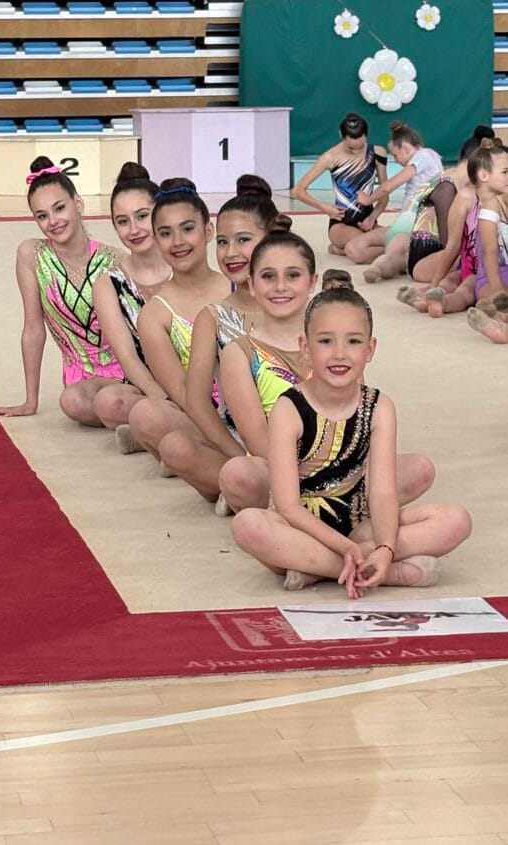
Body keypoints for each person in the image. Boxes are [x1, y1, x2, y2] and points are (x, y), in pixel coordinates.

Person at [231, 284, 472, 596]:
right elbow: (288, 506)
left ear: (370, 349)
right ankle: (380, 573)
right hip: (299, 530)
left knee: (456, 521)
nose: (340, 354)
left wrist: (385, 546)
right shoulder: (288, 409)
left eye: (354, 342)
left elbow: (383, 492)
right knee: (249, 526)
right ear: (305, 347)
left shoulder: (379, 407)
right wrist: (344, 547)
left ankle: (320, 569)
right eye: (326, 341)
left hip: (359, 523)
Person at [173, 176, 291, 511]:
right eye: (222, 242)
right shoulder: (212, 317)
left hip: (305, 439)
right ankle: (256, 488)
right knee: (182, 448)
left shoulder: (301, 306)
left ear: (271, 240)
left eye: (243, 240)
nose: (231, 252)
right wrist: (241, 454)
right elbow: (196, 403)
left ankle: (266, 493)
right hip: (244, 444)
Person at [0, 156, 122, 423]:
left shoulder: (115, 259)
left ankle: (142, 428)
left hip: (129, 369)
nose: (53, 221)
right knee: (73, 402)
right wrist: (29, 401)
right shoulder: (31, 255)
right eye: (42, 216)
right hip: (83, 381)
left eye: (59, 208)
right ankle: (142, 423)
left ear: (78, 204)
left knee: (115, 401)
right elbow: (33, 328)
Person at [126, 178, 231, 490]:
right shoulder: (155, 314)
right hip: (204, 417)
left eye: (188, 228)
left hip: (258, 406)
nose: (178, 241)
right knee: (147, 416)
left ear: (208, 231)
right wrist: (233, 447)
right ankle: (228, 471)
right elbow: (187, 398)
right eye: (166, 233)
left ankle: (225, 478)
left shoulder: (238, 286)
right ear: (156, 241)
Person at [218, 230, 316, 513]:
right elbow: (257, 439)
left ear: (313, 282)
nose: (280, 286)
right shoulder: (239, 353)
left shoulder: (333, 341)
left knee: (417, 468)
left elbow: (358, 414)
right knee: (237, 475)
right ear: (251, 284)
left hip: (338, 461)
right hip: (277, 468)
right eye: (268, 276)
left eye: (293, 275)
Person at [90, 163, 172, 439]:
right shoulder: (108, 284)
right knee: (109, 402)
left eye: (142, 216)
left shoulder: (184, 266)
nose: (134, 229)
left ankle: (149, 436)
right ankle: (161, 427)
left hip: (203, 384)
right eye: (123, 221)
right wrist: (160, 398)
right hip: (147, 387)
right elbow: (127, 355)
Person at [397, 126, 496, 317]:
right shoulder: (457, 192)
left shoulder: (466, 191)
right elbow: (451, 245)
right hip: (457, 262)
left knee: (463, 287)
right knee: (451, 281)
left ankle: (438, 300)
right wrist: (434, 283)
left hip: (477, 267)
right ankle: (432, 296)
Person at [352, 121, 443, 282]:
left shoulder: (424, 155)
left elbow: (389, 186)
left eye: (395, 154)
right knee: (354, 249)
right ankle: (404, 254)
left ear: (406, 148)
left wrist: (368, 200)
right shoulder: (428, 156)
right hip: (405, 222)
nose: (395, 159)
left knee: (392, 255)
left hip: (416, 223)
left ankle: (384, 263)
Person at [291, 112, 388, 257]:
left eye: (360, 147)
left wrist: (373, 217)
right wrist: (325, 208)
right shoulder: (330, 157)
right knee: (361, 245)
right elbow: (298, 191)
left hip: (368, 222)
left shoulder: (378, 153)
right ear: (341, 135)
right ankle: (349, 248)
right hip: (341, 223)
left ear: (366, 136)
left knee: (395, 239)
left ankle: (340, 249)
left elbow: (384, 194)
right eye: (350, 147)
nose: (355, 151)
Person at [465, 139, 508, 343]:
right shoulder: (489, 209)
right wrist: (498, 291)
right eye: (505, 172)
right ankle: (497, 320)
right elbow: (490, 252)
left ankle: (498, 323)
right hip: (492, 279)